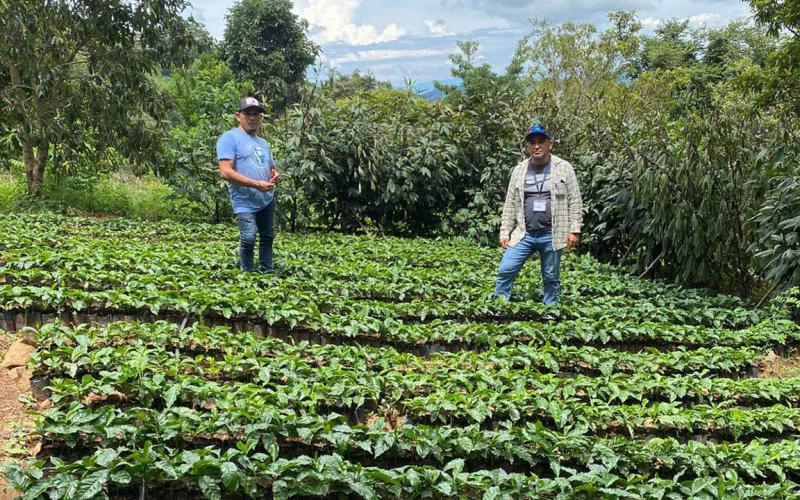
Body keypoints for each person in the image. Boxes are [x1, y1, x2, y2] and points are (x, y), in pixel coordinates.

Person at [495, 124, 583, 304]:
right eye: (532, 142)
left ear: (550, 144)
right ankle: (499, 306)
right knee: (506, 268)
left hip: (552, 233)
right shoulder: (519, 170)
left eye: (541, 141)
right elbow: (510, 203)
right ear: (527, 146)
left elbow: (575, 200)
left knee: (551, 276)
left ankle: (550, 311)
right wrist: (505, 231)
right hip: (524, 233)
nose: (536, 146)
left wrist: (575, 230)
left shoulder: (564, 167)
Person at [217, 96, 281, 273]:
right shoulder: (229, 138)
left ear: (260, 117)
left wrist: (275, 175)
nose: (252, 118)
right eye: (248, 114)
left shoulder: (263, 143)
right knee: (249, 237)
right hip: (244, 200)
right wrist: (255, 184)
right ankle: (247, 275)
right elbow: (225, 172)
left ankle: (266, 271)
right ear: (238, 116)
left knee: (267, 236)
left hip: (266, 198)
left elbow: (271, 167)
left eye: (256, 114)